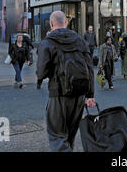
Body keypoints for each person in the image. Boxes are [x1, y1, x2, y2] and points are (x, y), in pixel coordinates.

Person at [36, 11, 96, 152]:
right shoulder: (80, 40)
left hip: (58, 94)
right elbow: (90, 69)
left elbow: (41, 73)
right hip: (79, 95)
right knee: (69, 136)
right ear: (66, 23)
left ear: (51, 24)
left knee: (57, 136)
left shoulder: (48, 42)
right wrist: (90, 95)